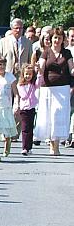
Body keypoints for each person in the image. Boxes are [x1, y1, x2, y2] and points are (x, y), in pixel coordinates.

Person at [34, 27, 74, 155]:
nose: (57, 40)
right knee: (49, 115)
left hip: (62, 88)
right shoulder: (46, 52)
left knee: (58, 115)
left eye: (59, 38)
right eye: (55, 37)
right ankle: (51, 144)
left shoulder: (67, 53)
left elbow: (71, 69)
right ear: (51, 39)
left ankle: (56, 144)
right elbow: (40, 68)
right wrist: (37, 69)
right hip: (47, 88)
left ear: (63, 40)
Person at [15, 63, 42, 155]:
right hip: (24, 108)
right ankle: (25, 147)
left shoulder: (34, 84)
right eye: (26, 74)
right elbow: (24, 96)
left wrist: (38, 72)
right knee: (25, 128)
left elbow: (39, 82)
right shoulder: (20, 85)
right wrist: (30, 86)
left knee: (30, 128)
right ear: (23, 74)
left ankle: (29, 147)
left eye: (30, 74)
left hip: (32, 108)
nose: (28, 76)